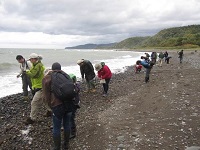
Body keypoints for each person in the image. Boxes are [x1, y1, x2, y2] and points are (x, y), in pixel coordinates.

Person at [42, 62, 74, 150]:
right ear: (60, 68)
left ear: (52, 69)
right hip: (69, 104)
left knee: (56, 127)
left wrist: (50, 105)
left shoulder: (47, 78)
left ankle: (57, 147)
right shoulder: (66, 76)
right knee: (67, 124)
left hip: (57, 105)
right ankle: (66, 144)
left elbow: (46, 95)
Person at [24, 53, 51, 125]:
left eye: (30, 59)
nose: (30, 60)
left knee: (34, 102)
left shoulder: (38, 66)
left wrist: (27, 72)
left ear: (34, 59)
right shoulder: (36, 65)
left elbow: (34, 75)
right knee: (45, 100)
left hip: (41, 87)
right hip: (40, 86)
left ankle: (32, 118)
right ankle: (50, 111)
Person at [68, 74, 80, 139]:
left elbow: (73, 93)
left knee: (71, 118)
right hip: (75, 103)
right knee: (71, 117)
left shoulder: (74, 87)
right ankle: (72, 130)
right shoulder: (75, 85)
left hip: (74, 104)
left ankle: (73, 132)